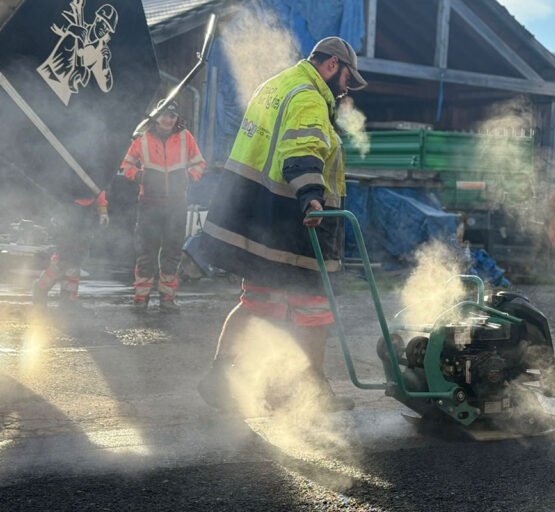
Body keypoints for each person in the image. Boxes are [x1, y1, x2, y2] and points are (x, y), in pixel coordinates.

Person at [196, 37, 367, 412]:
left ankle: (222, 378)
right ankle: (310, 393)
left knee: (259, 300)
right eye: (346, 80)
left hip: (258, 216)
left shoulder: (275, 86)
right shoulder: (308, 96)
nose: (345, 90)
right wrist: (313, 198)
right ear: (331, 65)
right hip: (292, 223)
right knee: (316, 307)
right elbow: (301, 151)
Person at [119, 101, 205, 313]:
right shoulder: (142, 138)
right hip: (149, 203)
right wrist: (139, 176)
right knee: (146, 251)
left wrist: (189, 178)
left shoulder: (186, 137)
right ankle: (141, 298)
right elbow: (126, 165)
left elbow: (199, 164)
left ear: (176, 118)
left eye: (172, 116)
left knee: (172, 251)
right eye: (164, 115)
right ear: (156, 116)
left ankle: (167, 298)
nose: (167, 120)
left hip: (176, 204)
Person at [32, 190, 109, 312]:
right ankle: (42, 288)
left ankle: (67, 301)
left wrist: (102, 210)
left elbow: (98, 187)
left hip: (86, 211)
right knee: (66, 258)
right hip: (68, 208)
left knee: (76, 259)